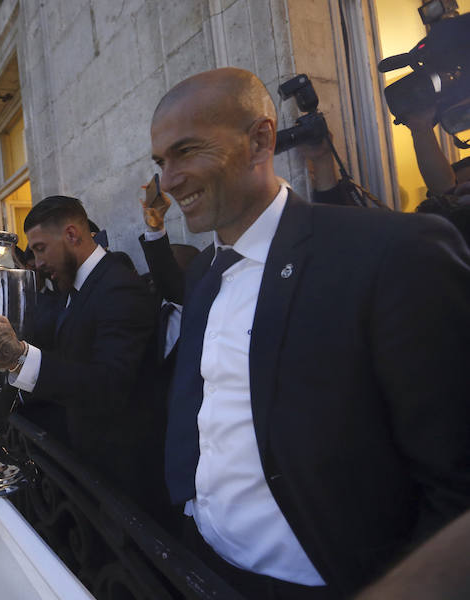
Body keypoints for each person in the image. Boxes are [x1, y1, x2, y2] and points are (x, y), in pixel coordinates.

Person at [152, 67, 470, 598]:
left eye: (186, 152)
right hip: (203, 563)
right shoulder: (203, 275)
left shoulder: (393, 254)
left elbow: (456, 482)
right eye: (161, 162)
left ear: (260, 141)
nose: (167, 181)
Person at [0, 195, 161, 495]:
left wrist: (19, 358)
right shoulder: (77, 285)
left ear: (71, 234)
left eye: (41, 249)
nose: (38, 263)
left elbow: (109, 384)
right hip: (90, 466)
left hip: (126, 479)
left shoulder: (118, 287)